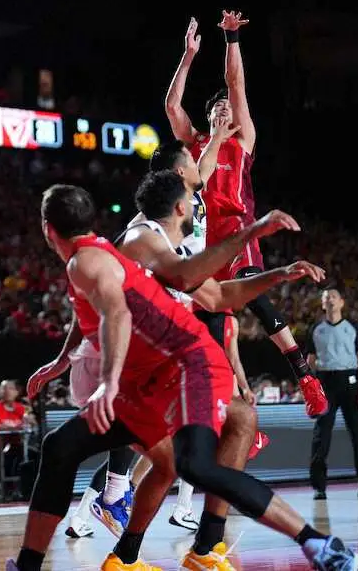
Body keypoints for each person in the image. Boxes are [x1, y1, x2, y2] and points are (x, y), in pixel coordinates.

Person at [10, 184, 358, 571]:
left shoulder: (96, 257)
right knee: (62, 447)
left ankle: (320, 546)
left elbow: (122, 312)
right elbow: (102, 308)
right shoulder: (107, 253)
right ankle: (51, 561)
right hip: (148, 381)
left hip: (189, 363)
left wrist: (107, 383)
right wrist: (65, 361)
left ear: (47, 230)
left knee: (194, 465)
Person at [165, 14, 328, 418]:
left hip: (238, 232)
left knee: (252, 292)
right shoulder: (198, 142)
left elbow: (236, 84)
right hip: (203, 241)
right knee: (214, 329)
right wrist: (187, 57)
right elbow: (171, 106)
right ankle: (229, 411)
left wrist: (231, 37)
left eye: (228, 108)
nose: (224, 109)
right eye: (217, 107)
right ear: (209, 117)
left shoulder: (244, 140)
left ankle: (305, 376)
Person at [116, 171, 272, 560]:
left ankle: (197, 545)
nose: (199, 193)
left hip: (165, 369)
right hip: (134, 373)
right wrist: (249, 232)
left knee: (238, 421)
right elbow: (186, 277)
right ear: (179, 203)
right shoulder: (141, 234)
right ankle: (125, 531)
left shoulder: (174, 247)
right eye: (192, 187)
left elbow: (219, 297)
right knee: (170, 460)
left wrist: (278, 276)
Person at [306, 286, 358, 499]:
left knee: (357, 434)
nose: (331, 301)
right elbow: (310, 362)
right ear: (323, 304)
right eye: (327, 298)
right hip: (326, 382)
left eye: (334, 297)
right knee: (321, 435)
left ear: (342, 302)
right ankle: (319, 487)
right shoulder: (316, 329)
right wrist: (310, 392)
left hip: (350, 381)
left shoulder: (353, 327)